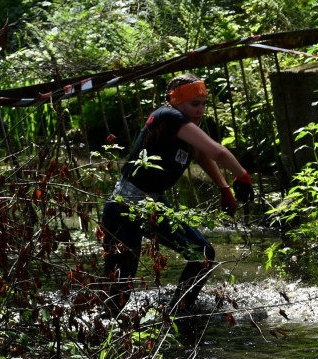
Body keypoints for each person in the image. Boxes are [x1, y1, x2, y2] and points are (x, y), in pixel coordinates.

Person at [100, 73, 255, 315]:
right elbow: (218, 153)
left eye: (204, 104)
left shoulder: (184, 123)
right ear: (175, 100)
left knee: (203, 254)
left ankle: (177, 314)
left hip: (153, 205)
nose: (201, 110)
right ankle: (99, 334)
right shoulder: (169, 116)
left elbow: (201, 154)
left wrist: (225, 188)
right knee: (118, 290)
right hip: (125, 207)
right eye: (195, 104)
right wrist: (242, 175)